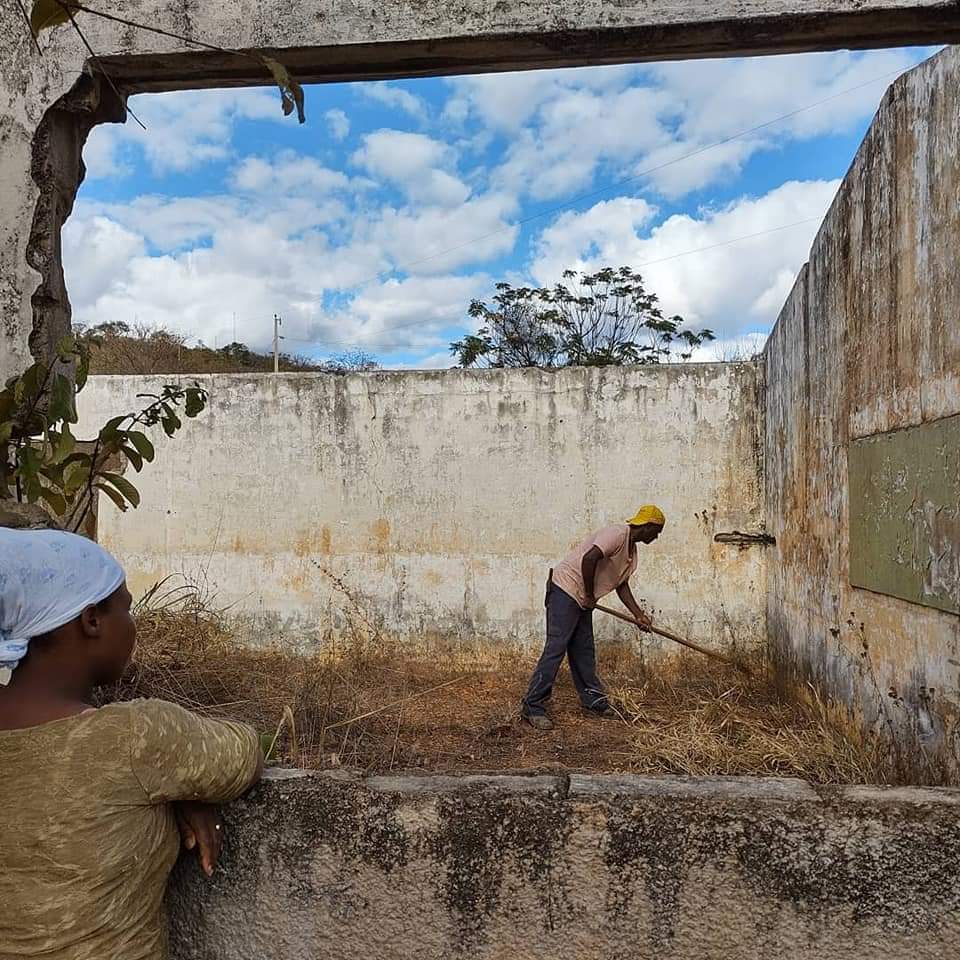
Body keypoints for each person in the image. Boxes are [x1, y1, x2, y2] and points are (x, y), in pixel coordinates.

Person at [0, 528, 263, 960]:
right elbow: (243, 753)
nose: (133, 624)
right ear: (91, 620)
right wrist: (182, 782)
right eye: (127, 607)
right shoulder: (138, 736)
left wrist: (172, 782)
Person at [520, 505, 665, 730]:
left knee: (584, 651)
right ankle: (533, 706)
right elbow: (590, 558)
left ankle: (594, 702)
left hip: (583, 597)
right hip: (566, 590)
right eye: (656, 531)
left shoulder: (631, 554)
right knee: (556, 648)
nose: (656, 537)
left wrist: (638, 615)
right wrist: (589, 594)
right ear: (646, 526)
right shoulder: (617, 534)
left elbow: (621, 585)